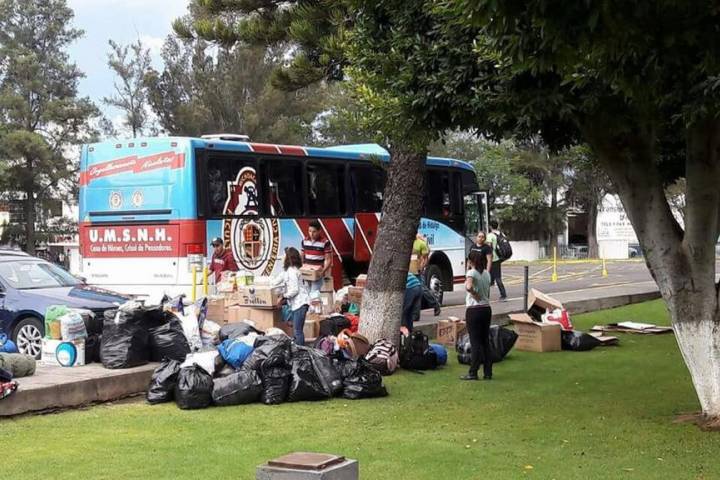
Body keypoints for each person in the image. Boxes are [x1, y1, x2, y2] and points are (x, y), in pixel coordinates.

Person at [460, 249, 493, 381]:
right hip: (486, 308)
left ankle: (473, 371)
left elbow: (468, 286)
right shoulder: (486, 274)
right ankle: (488, 371)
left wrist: (474, 294)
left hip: (474, 309)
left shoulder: (471, 272)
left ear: (471, 261)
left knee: (475, 342)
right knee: (485, 341)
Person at [277, 247, 310, 345]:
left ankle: (300, 350)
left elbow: (294, 290)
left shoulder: (291, 271)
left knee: (297, 331)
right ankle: (299, 348)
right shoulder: (292, 270)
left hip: (300, 304)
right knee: (297, 330)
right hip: (300, 303)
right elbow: (277, 280)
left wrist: (283, 296)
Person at [301, 220, 332, 293]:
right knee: (306, 293)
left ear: (319, 231)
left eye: (314, 231)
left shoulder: (325, 242)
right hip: (307, 271)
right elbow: (302, 255)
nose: (311, 234)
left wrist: (323, 271)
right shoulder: (304, 241)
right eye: (309, 231)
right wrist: (302, 267)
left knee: (314, 294)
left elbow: (328, 259)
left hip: (318, 273)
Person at [486, 220, 508, 301]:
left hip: (491, 259)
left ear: (490, 226)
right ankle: (503, 295)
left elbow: (489, 247)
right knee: (497, 277)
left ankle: (485, 297)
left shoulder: (490, 236)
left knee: (487, 278)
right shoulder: (501, 234)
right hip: (498, 258)